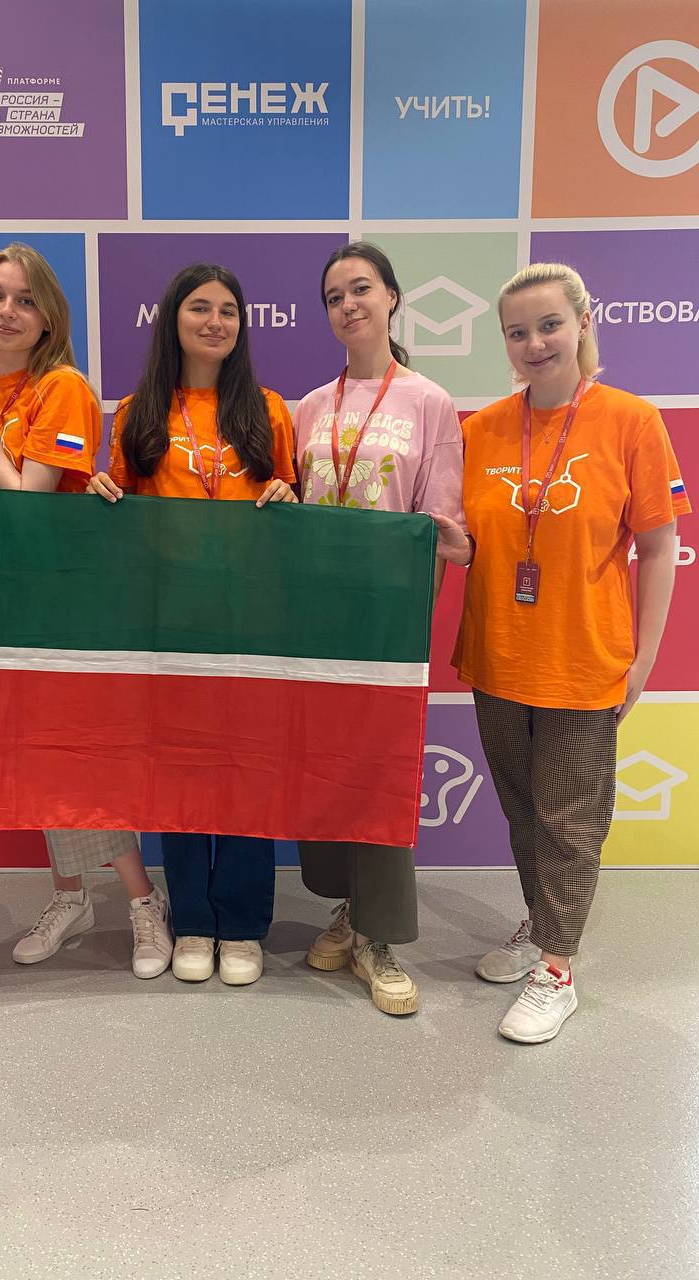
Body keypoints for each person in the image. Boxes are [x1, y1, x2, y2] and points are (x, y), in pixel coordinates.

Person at [448, 261, 690, 1043]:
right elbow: (473, 542)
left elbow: (660, 547)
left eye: (550, 325)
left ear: (584, 324)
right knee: (524, 811)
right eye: (517, 332)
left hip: (584, 660)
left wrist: (643, 661)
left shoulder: (631, 421)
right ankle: (541, 925)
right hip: (497, 657)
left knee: (571, 821)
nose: (535, 343)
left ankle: (558, 968)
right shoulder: (480, 430)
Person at [0, 242, 173, 980]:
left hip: (70, 602)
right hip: (9, 605)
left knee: (80, 754)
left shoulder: (64, 387)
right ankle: (71, 895)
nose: (7, 311)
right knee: (37, 756)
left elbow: (29, 504)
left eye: (26, 299)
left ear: (50, 316)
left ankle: (142, 901)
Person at [88, 263, 297, 986]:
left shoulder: (268, 410)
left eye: (228, 310)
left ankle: (240, 923)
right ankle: (194, 919)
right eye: (199, 308)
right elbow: (122, 516)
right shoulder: (137, 411)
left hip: (250, 621)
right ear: (172, 320)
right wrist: (102, 490)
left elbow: (289, 503)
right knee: (178, 771)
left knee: (246, 771)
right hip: (170, 622)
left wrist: (287, 494)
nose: (215, 321)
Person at [293, 241, 470, 1017]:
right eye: (334, 296)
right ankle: (346, 906)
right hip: (315, 622)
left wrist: (408, 621)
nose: (348, 305)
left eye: (361, 289)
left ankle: (380, 937)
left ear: (392, 297)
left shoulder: (429, 402)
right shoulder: (308, 407)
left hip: (387, 621)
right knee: (327, 768)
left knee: (381, 772)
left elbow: (438, 522)